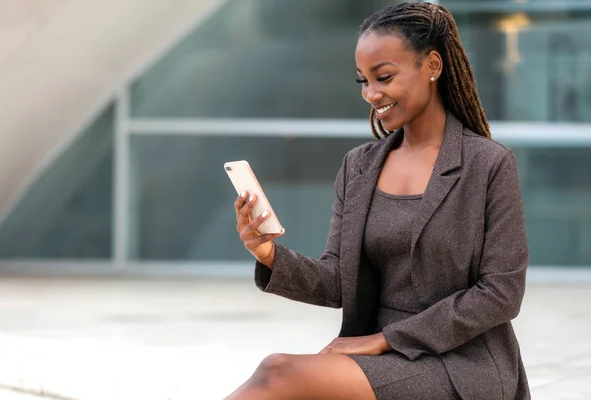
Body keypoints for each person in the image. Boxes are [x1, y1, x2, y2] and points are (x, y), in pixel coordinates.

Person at [225, 2, 530, 399]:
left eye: (383, 77)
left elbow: (501, 294)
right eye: (363, 81)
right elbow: (337, 280)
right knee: (277, 375)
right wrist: (267, 253)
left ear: (433, 65)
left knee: (279, 372)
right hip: (377, 356)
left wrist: (384, 339)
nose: (371, 94)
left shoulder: (488, 164)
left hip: (461, 363)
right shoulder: (360, 167)